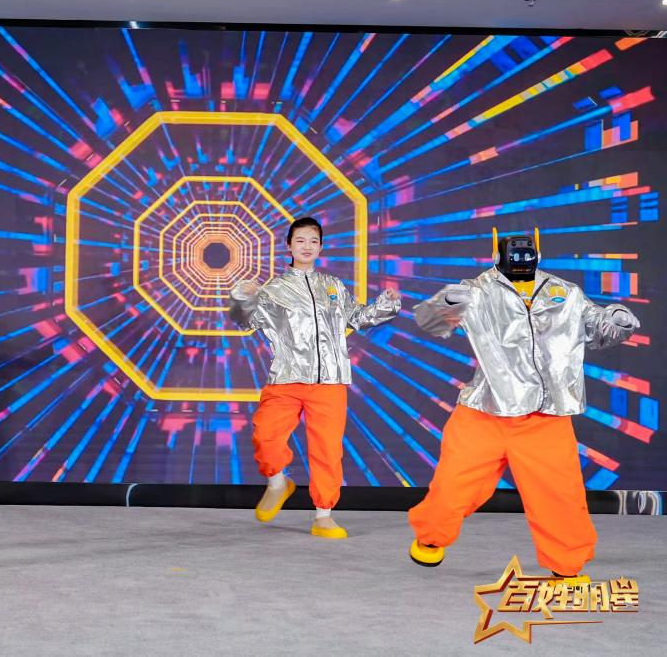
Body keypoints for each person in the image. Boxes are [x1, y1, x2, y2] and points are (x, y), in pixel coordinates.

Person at [408, 228, 639, 584]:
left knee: (560, 496)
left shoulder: (565, 292)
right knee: (453, 488)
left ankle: (566, 564)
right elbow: (429, 321)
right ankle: (430, 536)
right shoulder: (476, 290)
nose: (520, 259)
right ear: (498, 254)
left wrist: (618, 320)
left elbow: (597, 329)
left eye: (526, 253)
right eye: (513, 254)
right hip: (485, 412)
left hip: (546, 416)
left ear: (537, 253)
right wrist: (447, 302)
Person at [229, 216, 401, 538]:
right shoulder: (274, 290)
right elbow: (244, 321)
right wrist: (243, 297)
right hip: (286, 378)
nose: (307, 246)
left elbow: (358, 317)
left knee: (327, 450)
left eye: (313, 241)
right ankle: (278, 483)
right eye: (300, 240)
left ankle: (323, 515)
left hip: (330, 381)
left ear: (321, 247)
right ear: (289, 246)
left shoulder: (333, 286)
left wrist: (386, 305)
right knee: (265, 435)